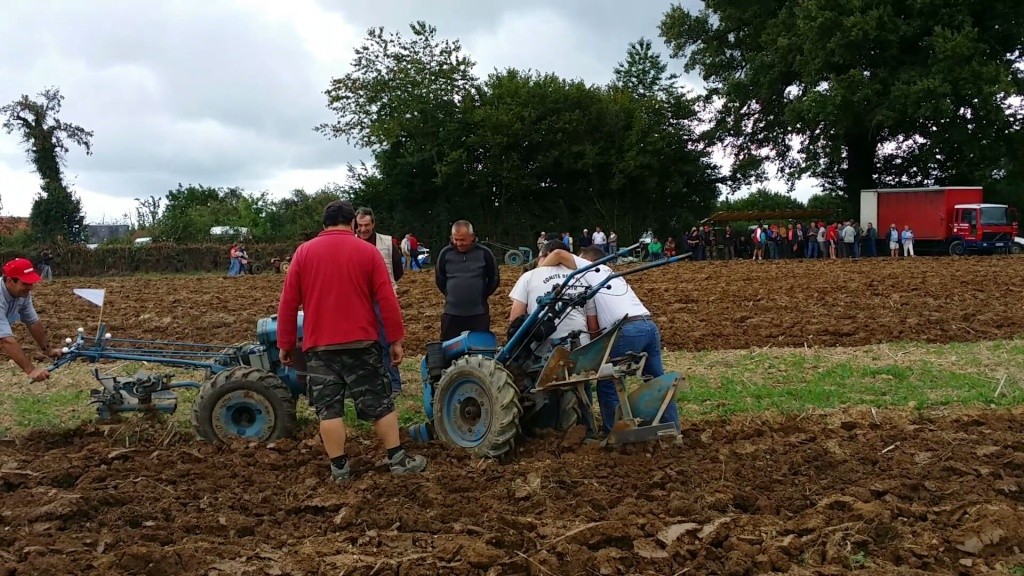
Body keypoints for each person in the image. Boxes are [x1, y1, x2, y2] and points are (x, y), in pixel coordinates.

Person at [276, 200, 427, 482]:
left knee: (328, 410)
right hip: (362, 343)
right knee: (380, 403)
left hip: (320, 347)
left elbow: (288, 303)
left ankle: (339, 469)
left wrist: (285, 343)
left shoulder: (303, 253)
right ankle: (396, 460)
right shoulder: (367, 252)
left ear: (324, 225)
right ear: (352, 224)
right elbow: (386, 299)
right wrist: (395, 339)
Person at [538, 246, 681, 435]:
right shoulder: (610, 277)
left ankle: (613, 432)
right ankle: (672, 428)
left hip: (628, 329)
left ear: (588, 260)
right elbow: (596, 327)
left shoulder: (591, 268)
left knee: (607, 382)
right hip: (648, 326)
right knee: (656, 378)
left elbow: (558, 254)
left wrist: (536, 273)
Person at [509, 240, 599, 356]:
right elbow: (593, 326)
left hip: (543, 352)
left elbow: (515, 317)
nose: (538, 263)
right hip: (581, 347)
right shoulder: (583, 278)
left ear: (548, 254)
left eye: (539, 257)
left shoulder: (529, 276)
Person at [355, 207, 405, 395]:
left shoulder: (387, 243)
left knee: (387, 341)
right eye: (360, 226)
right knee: (363, 343)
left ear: (373, 224)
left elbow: (398, 271)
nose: (363, 229)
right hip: (359, 300)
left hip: (382, 298)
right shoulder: (351, 244)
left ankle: (394, 384)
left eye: (367, 225)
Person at [434, 220, 500, 341]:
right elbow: (440, 279)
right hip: (452, 313)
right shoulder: (445, 254)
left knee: (479, 347)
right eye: (456, 239)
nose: (459, 243)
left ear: (472, 237)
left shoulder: (485, 253)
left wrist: (481, 295)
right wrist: (451, 295)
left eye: (463, 240)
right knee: (448, 348)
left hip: (478, 313)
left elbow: (494, 279)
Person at [2, 258, 61, 382]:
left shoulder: (23, 295)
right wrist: (31, 370)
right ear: (9, 281)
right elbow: (6, 340)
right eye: (25, 283)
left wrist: (48, 350)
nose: (30, 287)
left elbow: (33, 322)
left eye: (31, 283)